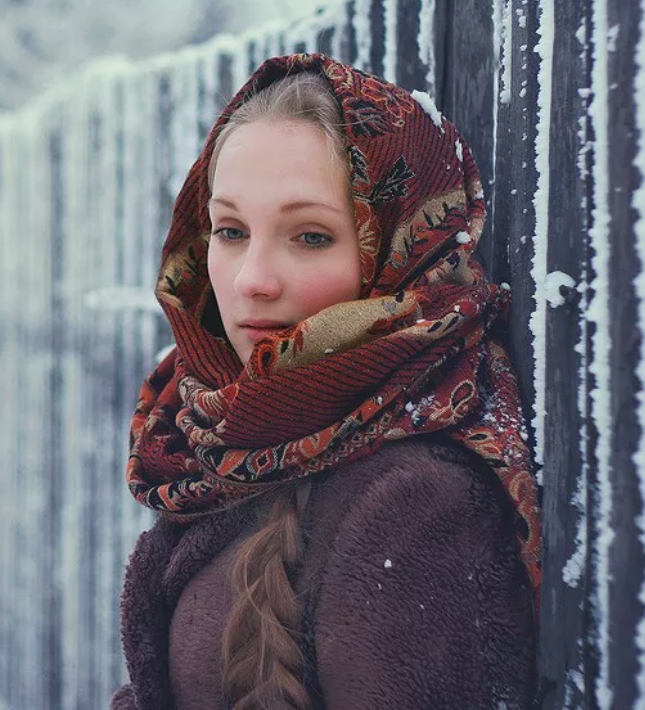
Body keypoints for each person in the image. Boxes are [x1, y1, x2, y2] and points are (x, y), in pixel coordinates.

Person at [110, 53, 540, 710]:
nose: (253, 277)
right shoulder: (227, 438)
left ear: (401, 252)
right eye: (229, 230)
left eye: (310, 236)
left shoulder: (413, 506)